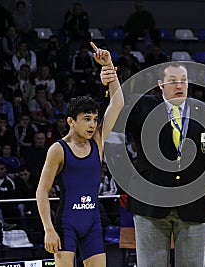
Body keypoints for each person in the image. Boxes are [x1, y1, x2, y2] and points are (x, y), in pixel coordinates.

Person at [100, 61, 205, 267]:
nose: (179, 86)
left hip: (194, 204)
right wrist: (110, 81)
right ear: (161, 84)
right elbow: (116, 108)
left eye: (183, 81)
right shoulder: (143, 107)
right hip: (150, 203)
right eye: (173, 82)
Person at [36, 42, 124, 267]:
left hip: (92, 223)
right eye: (87, 119)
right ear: (70, 121)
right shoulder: (58, 149)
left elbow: (118, 103)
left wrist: (109, 66)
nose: (93, 125)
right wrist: (48, 230)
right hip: (66, 224)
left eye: (95, 119)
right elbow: (42, 191)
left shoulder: (97, 142)